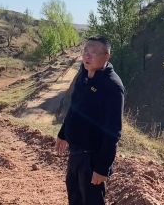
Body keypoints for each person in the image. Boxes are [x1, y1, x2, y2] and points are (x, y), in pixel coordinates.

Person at [55, 37, 125, 205]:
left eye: (93, 53)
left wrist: (102, 168)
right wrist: (63, 133)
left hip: (93, 158)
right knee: (75, 197)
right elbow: (75, 107)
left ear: (106, 56)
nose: (87, 56)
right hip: (76, 153)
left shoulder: (112, 86)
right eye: (85, 51)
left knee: (92, 200)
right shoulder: (83, 75)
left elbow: (113, 131)